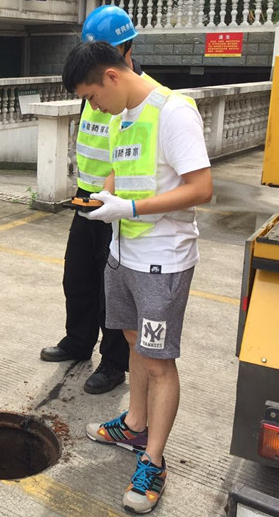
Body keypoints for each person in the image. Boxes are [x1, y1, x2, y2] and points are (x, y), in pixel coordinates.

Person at [62, 41, 212, 514]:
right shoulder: (123, 115)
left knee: (158, 361)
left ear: (111, 76)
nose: (92, 107)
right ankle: (135, 425)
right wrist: (99, 200)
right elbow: (119, 173)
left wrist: (128, 208)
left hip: (162, 262)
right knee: (132, 340)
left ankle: (154, 460)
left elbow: (201, 188)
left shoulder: (174, 113)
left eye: (91, 96)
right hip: (122, 252)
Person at [41, 5, 144, 396]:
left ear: (125, 50)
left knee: (111, 287)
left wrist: (111, 192)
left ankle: (114, 363)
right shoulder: (93, 87)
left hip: (118, 201)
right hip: (87, 196)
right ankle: (78, 341)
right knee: (78, 275)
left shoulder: (136, 92)